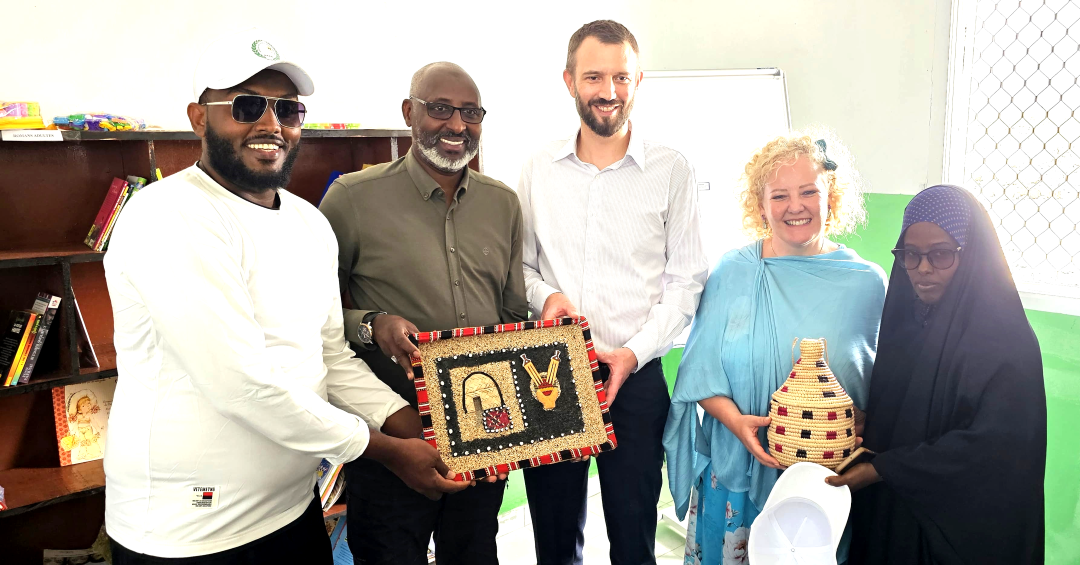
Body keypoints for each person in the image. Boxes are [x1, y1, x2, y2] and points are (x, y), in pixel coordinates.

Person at [103, 29, 466, 564]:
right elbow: (242, 386)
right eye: (247, 106)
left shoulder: (308, 222)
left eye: (288, 110)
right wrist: (388, 452)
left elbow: (330, 356)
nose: (270, 125)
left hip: (292, 510)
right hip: (189, 533)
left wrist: (417, 426)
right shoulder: (168, 216)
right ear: (199, 117)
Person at [319, 61, 527, 565]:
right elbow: (313, 316)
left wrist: (514, 432)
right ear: (410, 113)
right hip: (394, 435)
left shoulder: (504, 204)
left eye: (471, 112)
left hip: (483, 430)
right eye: (441, 109)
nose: (457, 125)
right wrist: (373, 325)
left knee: (475, 552)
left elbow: (512, 316)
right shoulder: (351, 198)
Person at [518, 20, 709, 565]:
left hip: (639, 376)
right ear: (569, 81)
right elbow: (523, 269)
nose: (608, 92)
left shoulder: (672, 170)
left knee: (633, 534)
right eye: (594, 76)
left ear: (639, 80)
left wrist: (632, 353)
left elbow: (686, 280)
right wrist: (547, 299)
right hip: (550, 376)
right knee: (554, 538)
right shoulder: (536, 168)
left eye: (621, 77)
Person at [663, 132, 887, 565]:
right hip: (735, 477)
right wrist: (736, 423)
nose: (795, 206)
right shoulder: (733, 272)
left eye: (809, 191)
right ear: (761, 205)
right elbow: (699, 373)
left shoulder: (867, 284)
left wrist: (863, 420)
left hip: (820, 488)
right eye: (779, 195)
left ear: (831, 196)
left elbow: (884, 386)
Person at [828, 184, 1046, 564]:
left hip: (961, 532)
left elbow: (995, 451)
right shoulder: (908, 323)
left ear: (971, 256)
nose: (922, 269)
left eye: (941, 255)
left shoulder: (1006, 341)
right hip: (895, 518)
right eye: (910, 255)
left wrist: (884, 469)